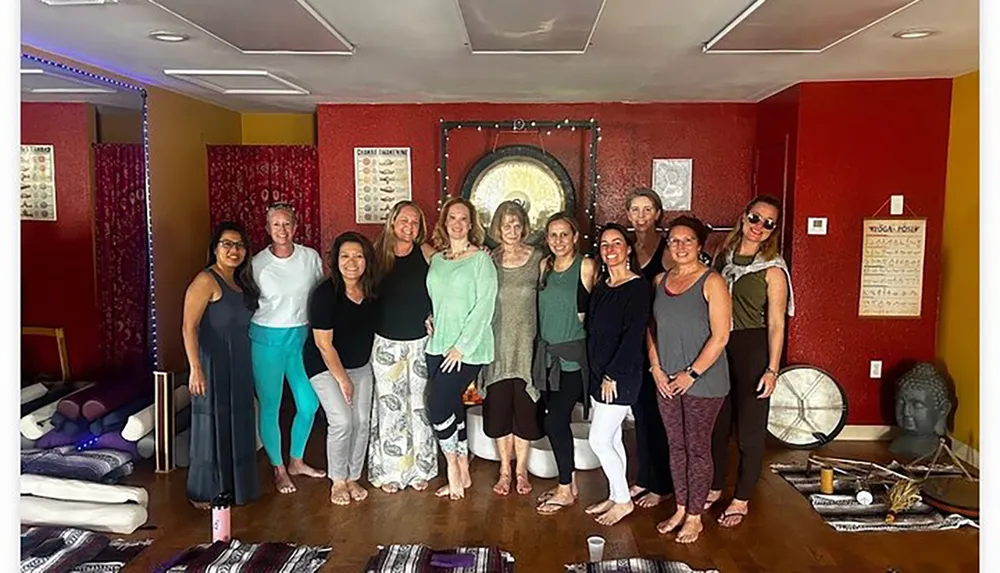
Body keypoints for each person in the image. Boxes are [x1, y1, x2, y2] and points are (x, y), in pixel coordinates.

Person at [708, 195, 794, 527]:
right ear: (744, 217)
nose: (759, 227)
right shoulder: (723, 257)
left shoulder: (773, 270)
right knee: (717, 423)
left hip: (752, 348)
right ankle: (715, 486)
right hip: (719, 346)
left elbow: (776, 323)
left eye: (768, 223)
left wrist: (772, 369)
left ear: (773, 231)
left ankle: (741, 498)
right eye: (755, 218)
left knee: (749, 430)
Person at [648, 216, 731, 544]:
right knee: (675, 446)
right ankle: (681, 507)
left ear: (699, 245)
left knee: (697, 449)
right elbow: (650, 328)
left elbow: (721, 336)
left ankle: (695, 517)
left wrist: (692, 373)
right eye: (674, 241)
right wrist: (656, 368)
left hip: (704, 382)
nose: (680, 247)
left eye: (687, 241)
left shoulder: (712, 282)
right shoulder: (659, 281)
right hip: (666, 380)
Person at [182, 222, 261, 508]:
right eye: (227, 244)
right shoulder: (205, 280)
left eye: (239, 245)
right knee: (212, 424)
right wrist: (195, 368)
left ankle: (236, 488)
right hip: (212, 363)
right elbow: (188, 327)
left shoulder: (242, 282)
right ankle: (205, 491)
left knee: (239, 422)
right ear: (215, 248)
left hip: (240, 362)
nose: (233, 250)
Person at [249, 203, 326, 494]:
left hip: (301, 338)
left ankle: (296, 460)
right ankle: (278, 468)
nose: (282, 230)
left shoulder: (310, 258)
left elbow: (320, 295)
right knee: (271, 405)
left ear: (296, 227)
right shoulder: (257, 264)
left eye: (287, 224)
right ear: (268, 229)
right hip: (266, 340)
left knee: (308, 404)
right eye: (276, 225)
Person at [425, 197, 498, 500]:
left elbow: (485, 305)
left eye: (463, 218)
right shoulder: (438, 259)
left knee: (438, 404)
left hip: (467, 348)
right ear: (444, 223)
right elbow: (438, 299)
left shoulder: (481, 259)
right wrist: (430, 317)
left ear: (471, 224)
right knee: (452, 405)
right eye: (451, 218)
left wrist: (461, 347)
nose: (457, 223)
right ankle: (465, 471)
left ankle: (454, 464)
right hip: (437, 344)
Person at [369, 201, 439, 493]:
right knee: (390, 409)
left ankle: (421, 469)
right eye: (404, 221)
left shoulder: (426, 252)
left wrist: (437, 315)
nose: (410, 228)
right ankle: (391, 473)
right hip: (385, 342)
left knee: (421, 407)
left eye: (415, 223)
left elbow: (453, 276)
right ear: (392, 222)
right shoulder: (375, 255)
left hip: (420, 342)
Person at [303, 232, 378, 505]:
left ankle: (352, 477)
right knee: (342, 421)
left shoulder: (371, 290)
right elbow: (324, 345)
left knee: (361, 422)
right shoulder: (325, 294)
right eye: (345, 256)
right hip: (324, 364)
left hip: (360, 364)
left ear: (367, 260)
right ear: (336, 260)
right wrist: (344, 380)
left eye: (358, 256)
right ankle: (337, 480)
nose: (352, 262)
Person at [584, 223, 651, 526]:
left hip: (620, 375)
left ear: (627, 250)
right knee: (613, 438)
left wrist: (612, 374)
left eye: (616, 244)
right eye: (604, 245)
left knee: (598, 440)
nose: (610, 250)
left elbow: (633, 335)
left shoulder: (637, 287)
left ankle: (624, 501)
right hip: (600, 374)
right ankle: (615, 493)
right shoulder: (602, 286)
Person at [533, 213, 597, 515]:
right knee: (551, 417)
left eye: (564, 235)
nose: (558, 241)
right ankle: (567, 484)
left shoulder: (585, 265)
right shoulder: (544, 266)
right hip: (545, 358)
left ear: (575, 237)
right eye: (553, 235)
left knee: (555, 420)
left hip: (572, 358)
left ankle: (564, 487)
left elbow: (598, 310)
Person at [480, 201, 544, 497]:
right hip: (496, 347)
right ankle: (505, 469)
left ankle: (522, 471)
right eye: (506, 225)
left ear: (524, 227)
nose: (512, 231)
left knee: (526, 414)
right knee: (499, 413)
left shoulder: (538, 259)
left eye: (517, 225)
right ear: (497, 228)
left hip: (527, 346)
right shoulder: (487, 260)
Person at [624, 188, 674, 509]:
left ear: (657, 214)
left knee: (659, 416)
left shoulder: (668, 249)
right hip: (635, 340)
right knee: (642, 413)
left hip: (661, 338)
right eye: (635, 210)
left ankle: (662, 485)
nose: (641, 216)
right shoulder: (627, 248)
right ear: (628, 215)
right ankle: (643, 477)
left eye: (647, 210)